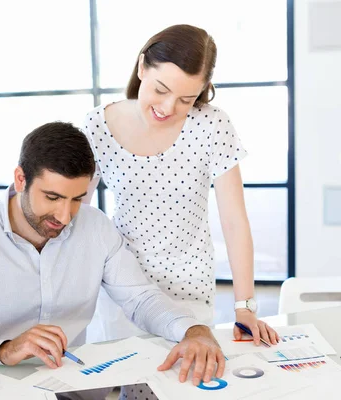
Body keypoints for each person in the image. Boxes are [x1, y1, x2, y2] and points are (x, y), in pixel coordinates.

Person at [0, 121, 226, 393]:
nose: (64, 216)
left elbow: (141, 299)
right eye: (52, 197)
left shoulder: (96, 228)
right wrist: (3, 350)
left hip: (74, 386)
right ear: (20, 179)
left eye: (76, 199)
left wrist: (193, 330)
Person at [81, 24, 279, 350]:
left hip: (189, 290)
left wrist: (245, 307)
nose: (169, 108)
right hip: (123, 288)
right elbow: (77, 215)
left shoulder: (212, 125)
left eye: (186, 99)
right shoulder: (97, 125)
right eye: (161, 90)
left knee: (184, 385)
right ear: (142, 67)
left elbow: (234, 222)